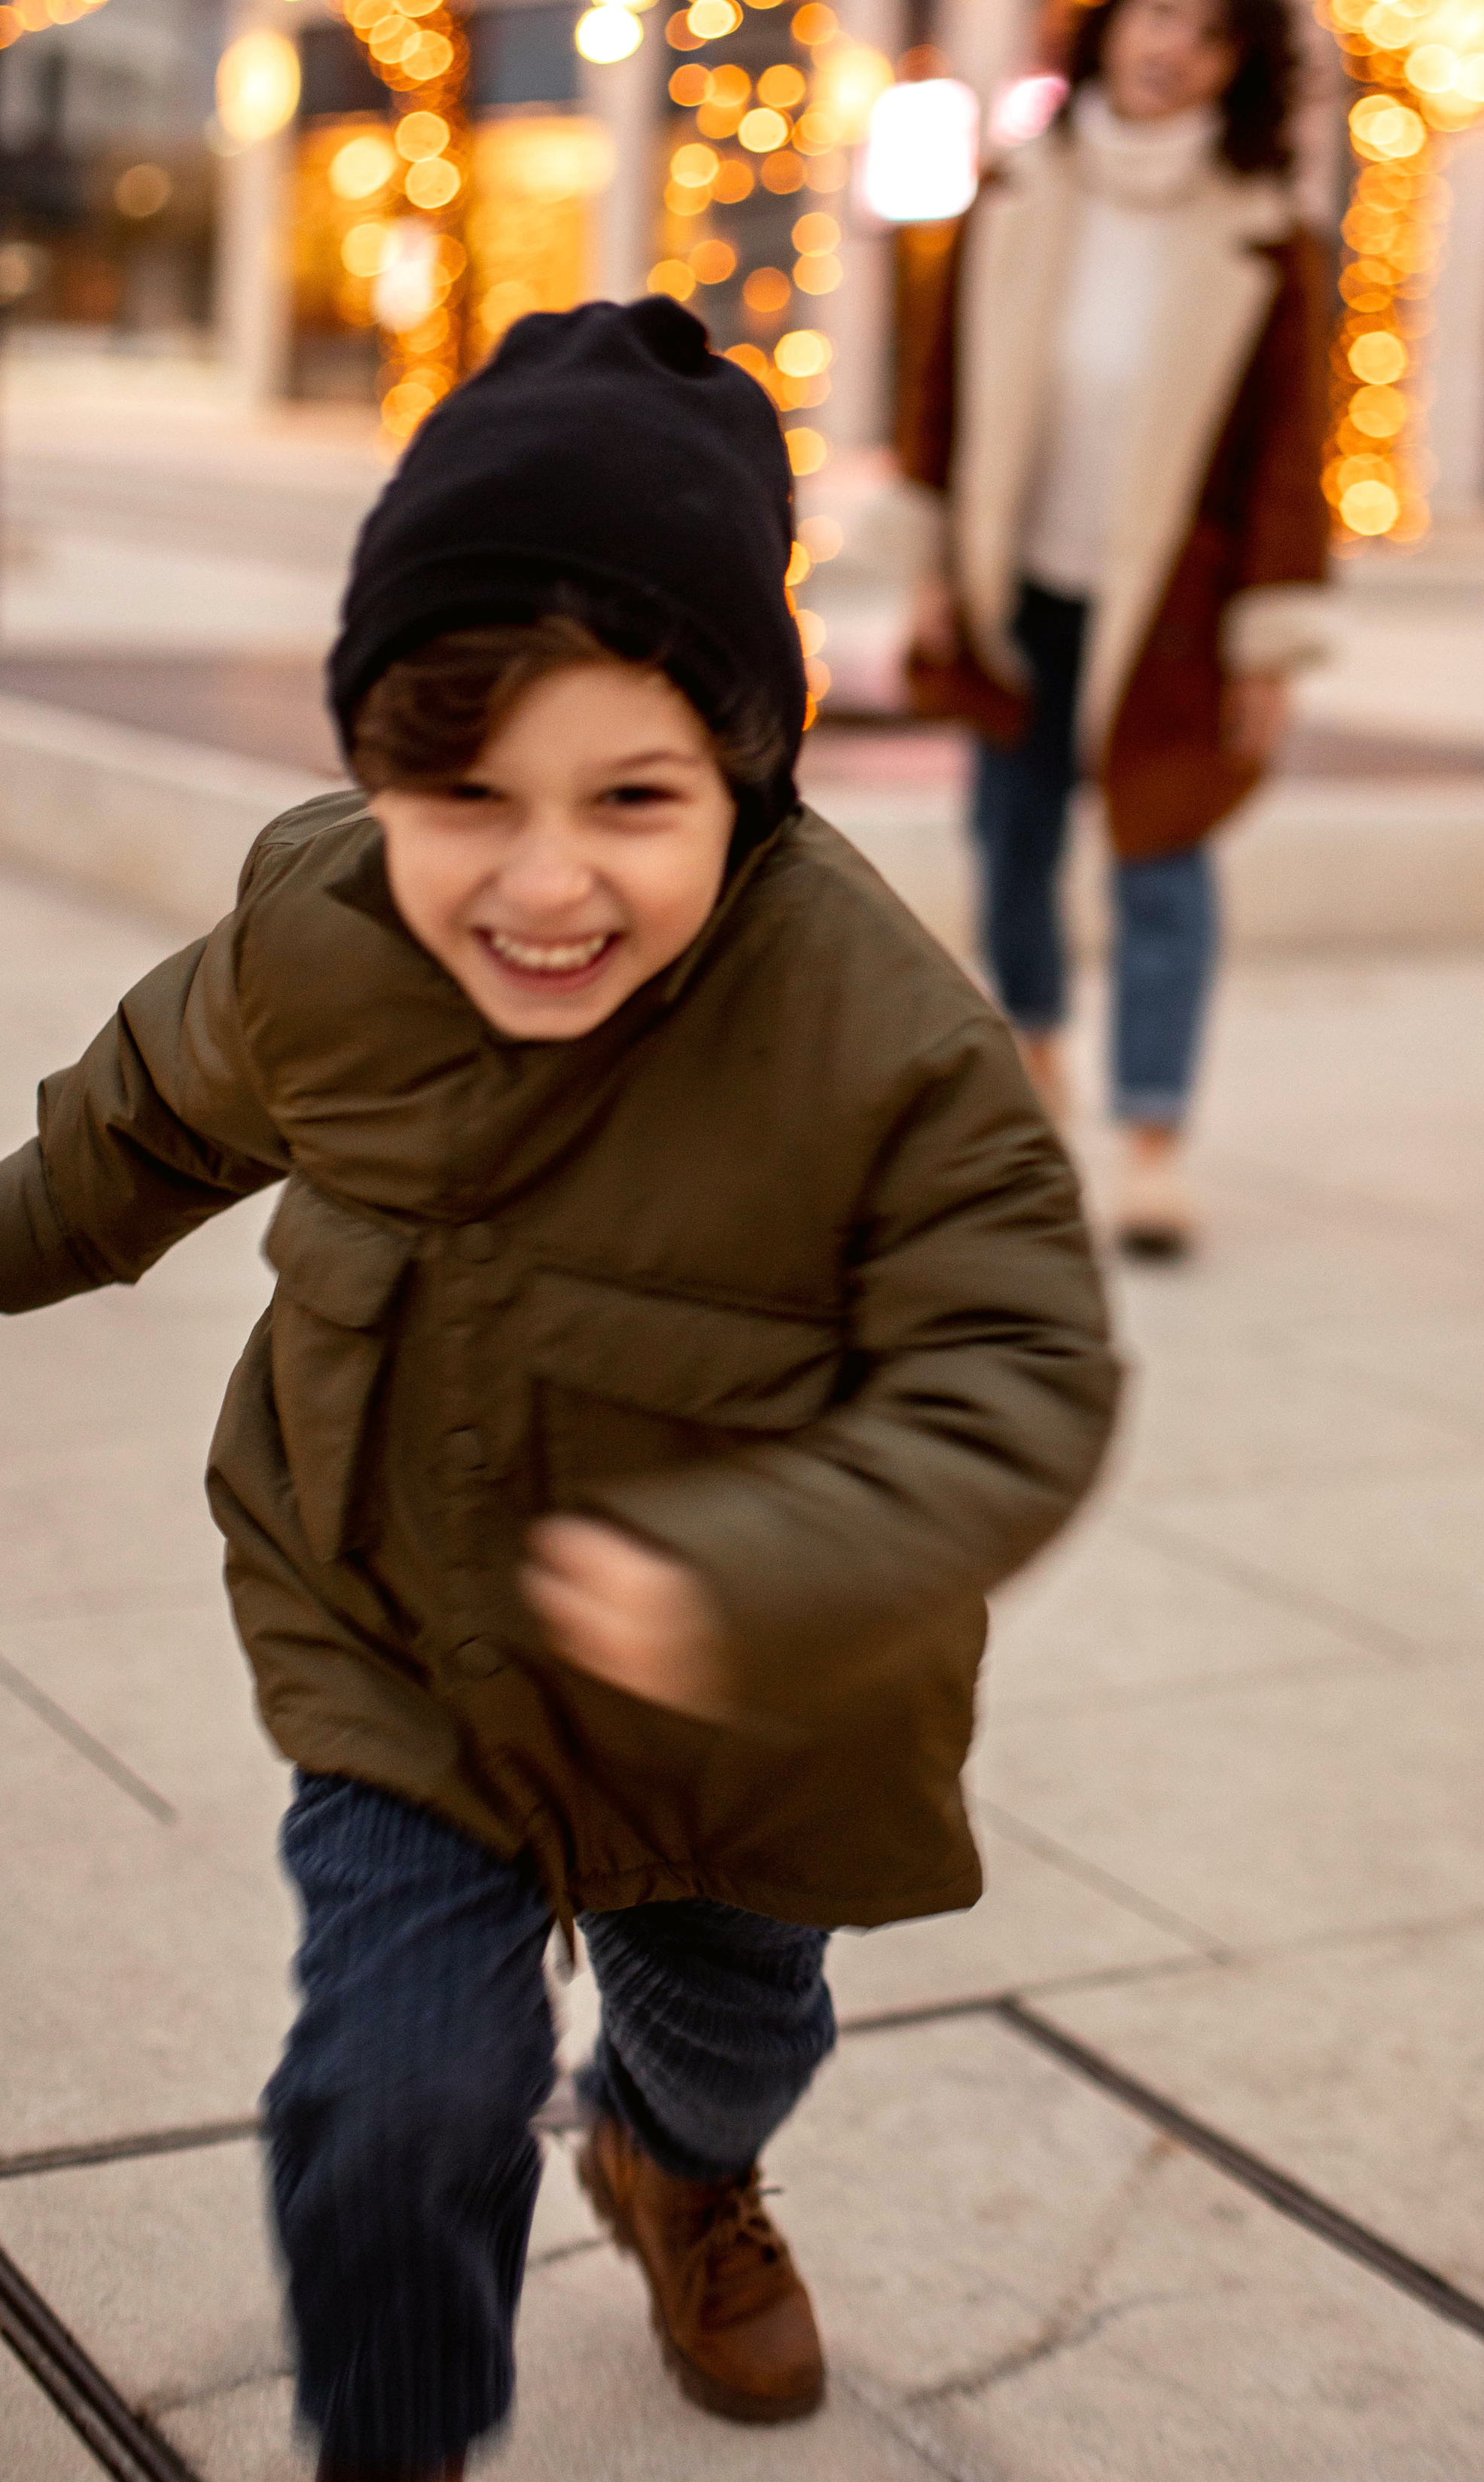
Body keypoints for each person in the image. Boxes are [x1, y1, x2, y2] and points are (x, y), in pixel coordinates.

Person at [0, 297, 1118, 2482]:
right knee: (392, 2096)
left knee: (730, 2036)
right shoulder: (317, 931)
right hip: (406, 1636)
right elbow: (128, 1135)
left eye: (631, 798)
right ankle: (397, 2440)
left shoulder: (875, 1027)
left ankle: (680, 2169)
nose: (539, 878)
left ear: (749, 773)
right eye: (462, 795)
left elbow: (1017, 1361)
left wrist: (768, 1575)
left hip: (749, 1703)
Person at [893, 0, 1333, 1258]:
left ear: (1234, 70)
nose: (1171, 49)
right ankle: (1035, 1059)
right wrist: (929, 567)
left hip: (1177, 617)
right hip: (1017, 584)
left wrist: (1269, 641)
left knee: (1166, 869)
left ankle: (1153, 1142)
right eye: (1156, 16)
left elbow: (1284, 458)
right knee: (1010, 855)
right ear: (1108, 26)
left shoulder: (1266, 240)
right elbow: (944, 390)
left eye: (1206, 33)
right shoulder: (1015, 190)